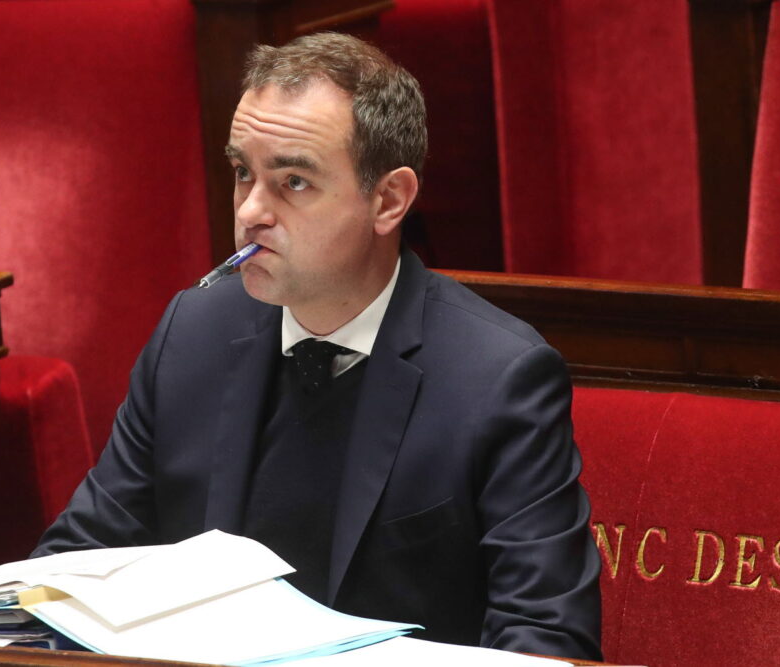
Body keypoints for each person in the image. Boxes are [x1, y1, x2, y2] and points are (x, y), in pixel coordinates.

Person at [33, 32, 602, 660]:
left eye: (294, 182)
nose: (250, 210)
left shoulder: (497, 378)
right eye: (242, 172)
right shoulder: (193, 332)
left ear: (388, 199)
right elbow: (77, 564)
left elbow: (547, 641)